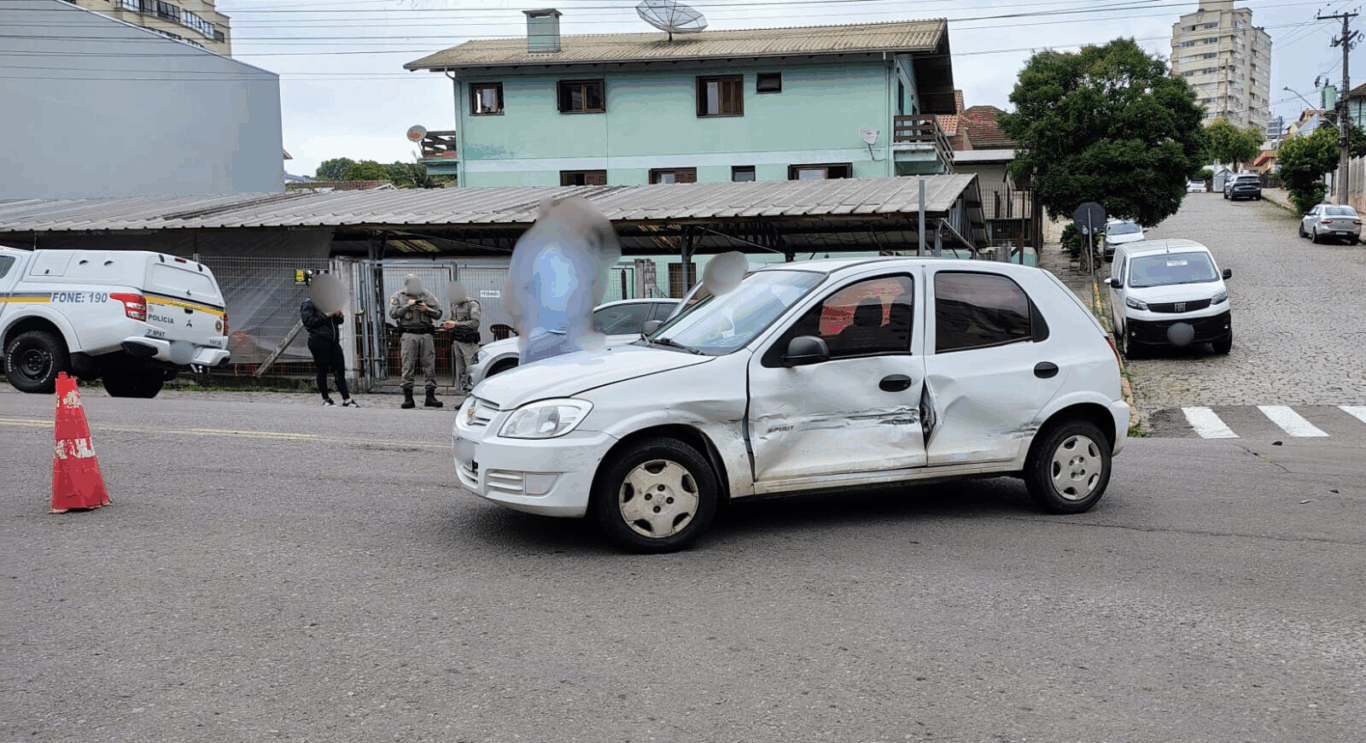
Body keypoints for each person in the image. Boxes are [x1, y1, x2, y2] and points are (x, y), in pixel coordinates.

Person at [388, 274, 444, 409]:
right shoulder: (398, 296)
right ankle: (408, 398)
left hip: (426, 334)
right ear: (406, 285)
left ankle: (430, 396)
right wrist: (407, 306)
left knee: (429, 365)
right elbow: (393, 314)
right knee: (407, 365)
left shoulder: (427, 295)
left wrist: (427, 309)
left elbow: (439, 313)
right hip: (408, 334)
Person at [299, 297, 357, 407]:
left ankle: (347, 399)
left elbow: (339, 322)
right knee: (322, 370)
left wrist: (338, 315)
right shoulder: (309, 303)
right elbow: (308, 322)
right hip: (318, 340)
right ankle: (325, 398)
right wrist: (327, 314)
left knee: (339, 370)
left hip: (333, 341)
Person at [442, 293, 482, 395]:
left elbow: (475, 323)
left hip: (468, 342)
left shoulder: (472, 305)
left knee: (472, 371)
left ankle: (475, 397)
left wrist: (456, 324)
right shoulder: (455, 306)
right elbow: (453, 320)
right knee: (462, 372)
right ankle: (466, 397)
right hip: (457, 340)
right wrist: (448, 324)